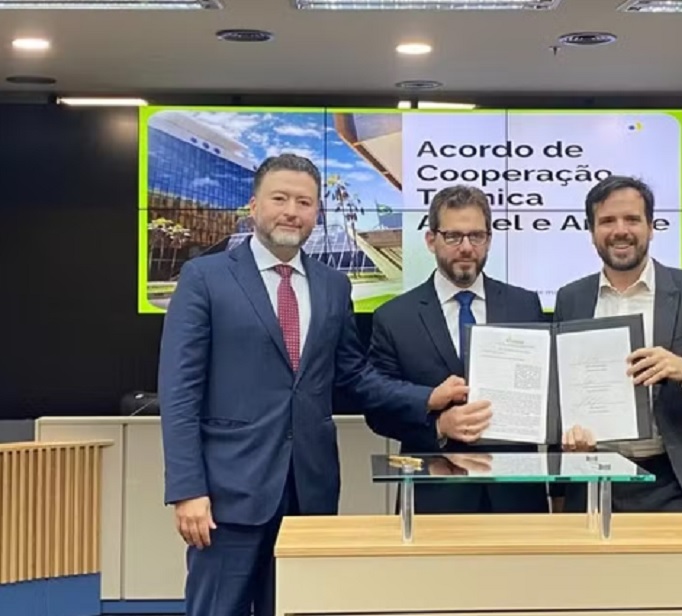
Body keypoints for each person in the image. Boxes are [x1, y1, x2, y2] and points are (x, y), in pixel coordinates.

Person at [158, 154, 468, 616]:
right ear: (254, 205)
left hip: (309, 491)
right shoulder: (205, 278)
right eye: (279, 198)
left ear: (317, 212)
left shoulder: (332, 286)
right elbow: (180, 391)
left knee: (298, 608)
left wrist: (427, 398)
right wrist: (187, 489)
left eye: (304, 202)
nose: (292, 211)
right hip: (227, 495)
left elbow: (354, 376)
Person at [555, 175, 682, 534]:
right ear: (591, 231)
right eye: (607, 221)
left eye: (632, 219)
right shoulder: (571, 298)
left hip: (677, 483)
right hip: (595, 481)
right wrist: (569, 431)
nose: (620, 230)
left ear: (651, 226)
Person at [367, 185, 550, 514]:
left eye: (476, 236)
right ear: (431, 240)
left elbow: (547, 392)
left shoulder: (525, 305)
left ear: (489, 240)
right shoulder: (394, 318)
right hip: (435, 500)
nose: (466, 247)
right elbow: (379, 408)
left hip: (517, 498)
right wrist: (438, 426)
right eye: (453, 236)